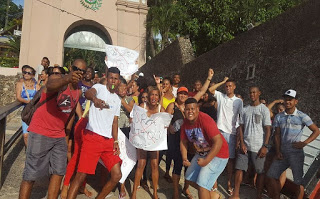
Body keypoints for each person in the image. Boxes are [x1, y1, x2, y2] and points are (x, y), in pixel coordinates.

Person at [19, 59, 86, 199]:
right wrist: (67, 78)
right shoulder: (58, 78)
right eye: (76, 68)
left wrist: (66, 136)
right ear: (69, 68)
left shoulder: (78, 91)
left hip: (59, 135)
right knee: (31, 174)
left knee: (59, 172)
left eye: (82, 71)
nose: (79, 72)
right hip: (40, 131)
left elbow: (70, 114)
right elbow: (49, 85)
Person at [67, 67, 122, 199]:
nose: (113, 81)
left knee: (117, 175)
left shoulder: (117, 100)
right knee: (81, 175)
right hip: (92, 137)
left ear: (118, 80)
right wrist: (95, 100)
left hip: (108, 140)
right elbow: (88, 94)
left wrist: (115, 141)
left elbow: (115, 122)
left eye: (116, 78)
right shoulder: (99, 88)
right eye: (111, 78)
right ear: (107, 78)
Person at [166, 69, 214, 199]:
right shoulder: (172, 106)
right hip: (176, 141)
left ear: (188, 96)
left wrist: (209, 78)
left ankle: (186, 189)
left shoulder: (190, 105)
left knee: (188, 168)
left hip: (191, 141)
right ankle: (176, 192)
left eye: (185, 94)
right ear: (177, 94)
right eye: (180, 93)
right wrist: (168, 126)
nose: (182, 95)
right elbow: (163, 121)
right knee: (177, 167)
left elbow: (202, 91)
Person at [267, 89, 320, 199]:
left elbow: (316, 130)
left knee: (298, 183)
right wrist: (277, 151)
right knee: (271, 176)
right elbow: (277, 135)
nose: (288, 102)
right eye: (286, 99)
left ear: (296, 101)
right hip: (282, 152)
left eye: (290, 100)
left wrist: (304, 143)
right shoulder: (279, 116)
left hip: (296, 153)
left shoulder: (302, 116)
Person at [180, 98, 229, 199]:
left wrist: (206, 161)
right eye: (187, 109)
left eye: (192, 109)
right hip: (203, 152)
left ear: (198, 109)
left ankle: (206, 192)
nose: (190, 112)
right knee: (189, 177)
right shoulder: (185, 123)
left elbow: (218, 141)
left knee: (202, 184)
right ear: (184, 110)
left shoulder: (205, 119)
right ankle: (213, 196)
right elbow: (183, 141)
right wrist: (184, 157)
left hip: (219, 153)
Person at [230, 86, 271, 199]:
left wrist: (265, 146)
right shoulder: (245, 109)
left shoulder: (264, 109)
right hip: (246, 146)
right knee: (239, 168)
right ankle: (236, 194)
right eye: (250, 92)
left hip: (258, 147)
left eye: (254, 92)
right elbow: (241, 128)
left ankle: (258, 195)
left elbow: (268, 129)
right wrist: (242, 143)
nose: (252, 94)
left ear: (259, 93)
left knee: (260, 171)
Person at [208, 77, 243, 194]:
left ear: (234, 87)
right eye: (226, 86)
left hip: (232, 133)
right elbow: (211, 89)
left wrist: (238, 137)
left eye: (230, 86)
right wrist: (223, 81)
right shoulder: (221, 96)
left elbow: (240, 119)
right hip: (219, 132)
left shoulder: (239, 101)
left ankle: (228, 183)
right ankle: (214, 182)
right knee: (216, 157)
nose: (228, 88)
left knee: (230, 160)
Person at [130, 86, 166, 199]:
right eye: (152, 95)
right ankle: (134, 193)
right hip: (142, 140)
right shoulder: (142, 106)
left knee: (155, 165)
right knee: (141, 164)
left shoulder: (161, 109)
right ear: (148, 96)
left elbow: (165, 125)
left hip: (154, 141)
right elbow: (134, 120)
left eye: (156, 95)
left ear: (159, 97)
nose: (153, 97)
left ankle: (155, 193)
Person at [117, 77, 134, 199]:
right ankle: (121, 185)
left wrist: (122, 101)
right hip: (116, 131)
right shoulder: (112, 98)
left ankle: (123, 179)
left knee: (127, 157)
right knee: (118, 157)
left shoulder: (130, 99)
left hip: (127, 131)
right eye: (120, 87)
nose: (122, 89)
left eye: (124, 87)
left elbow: (131, 110)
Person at [16, 65, 40, 146]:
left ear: (33, 75)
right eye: (25, 72)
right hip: (26, 111)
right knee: (26, 135)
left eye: (28, 73)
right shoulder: (20, 84)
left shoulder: (37, 86)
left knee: (34, 134)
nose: (26, 74)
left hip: (35, 111)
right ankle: (29, 153)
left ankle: (33, 152)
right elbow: (18, 97)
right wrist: (27, 102)